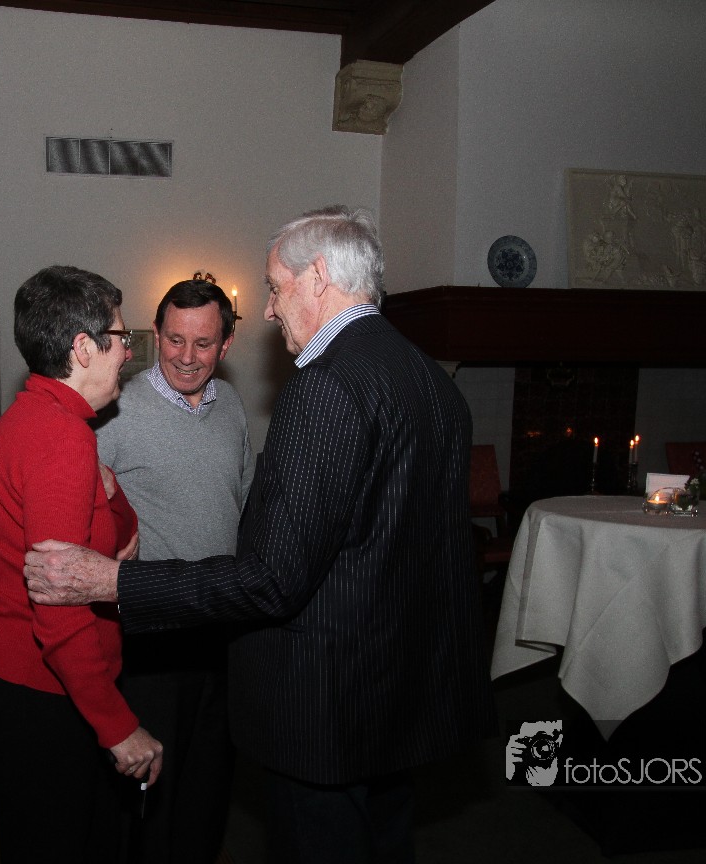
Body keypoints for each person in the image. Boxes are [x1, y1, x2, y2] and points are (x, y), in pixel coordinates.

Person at [25, 207, 496, 863]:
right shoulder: (428, 379)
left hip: (325, 703)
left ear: (318, 276)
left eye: (275, 287)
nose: (270, 310)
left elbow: (274, 577)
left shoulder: (326, 386)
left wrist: (113, 580)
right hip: (395, 693)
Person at [0, 265, 163, 864]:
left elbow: (124, 538)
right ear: (83, 347)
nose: (127, 352)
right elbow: (59, 611)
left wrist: (111, 495)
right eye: (120, 337)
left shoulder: (50, 421)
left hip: (37, 690)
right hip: (38, 697)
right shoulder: (59, 438)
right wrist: (118, 726)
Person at [93, 278, 252, 863]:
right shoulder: (116, 411)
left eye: (203, 343)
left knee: (208, 781)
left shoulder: (231, 405)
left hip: (221, 629)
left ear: (226, 344)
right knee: (149, 788)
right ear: (154, 335)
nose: (187, 356)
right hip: (149, 635)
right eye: (175, 340)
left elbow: (241, 501)